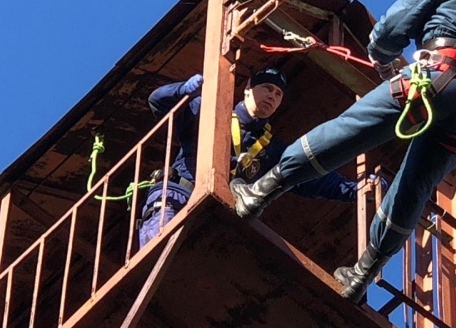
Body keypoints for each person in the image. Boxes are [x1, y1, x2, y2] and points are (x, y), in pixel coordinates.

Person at [230, 0, 456, 303]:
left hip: (431, 78)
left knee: (350, 131)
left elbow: (393, 26)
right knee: (414, 188)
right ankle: (361, 275)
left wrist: (381, 58)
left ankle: (259, 193)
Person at [137, 67, 359, 248]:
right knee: (156, 253)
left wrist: (356, 190)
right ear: (248, 89)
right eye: (267, 88)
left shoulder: (271, 148)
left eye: (278, 94)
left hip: (219, 213)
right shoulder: (210, 111)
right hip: (178, 195)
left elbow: (310, 177)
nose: (272, 95)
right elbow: (157, 102)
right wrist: (182, 90)